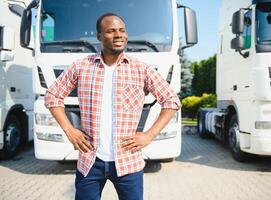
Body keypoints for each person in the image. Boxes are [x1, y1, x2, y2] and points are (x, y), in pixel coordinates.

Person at [45, 13, 181, 200]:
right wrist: (69, 130)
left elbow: (171, 100)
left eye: (122, 30)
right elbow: (52, 95)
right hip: (90, 161)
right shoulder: (81, 67)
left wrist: (149, 135)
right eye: (111, 31)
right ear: (99, 36)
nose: (118, 35)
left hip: (128, 162)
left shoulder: (141, 69)